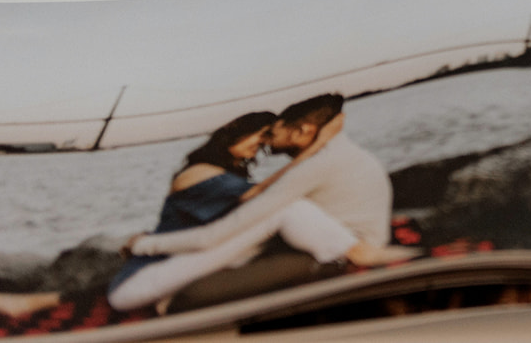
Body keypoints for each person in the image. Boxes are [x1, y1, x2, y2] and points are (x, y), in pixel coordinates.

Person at [0, 107, 412, 319]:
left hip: (191, 258)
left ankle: (40, 300)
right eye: (253, 140)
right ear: (232, 136)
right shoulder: (202, 173)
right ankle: (360, 254)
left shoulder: (228, 172)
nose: (256, 148)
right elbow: (252, 205)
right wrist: (314, 155)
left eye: (261, 143)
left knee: (277, 225)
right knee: (284, 213)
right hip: (167, 260)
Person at [123, 94, 410, 313]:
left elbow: (242, 214)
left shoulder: (317, 164)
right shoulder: (335, 151)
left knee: (192, 296)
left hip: (334, 250)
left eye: (273, 133)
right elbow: (252, 200)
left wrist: (143, 243)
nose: (267, 143)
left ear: (301, 132)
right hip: (327, 236)